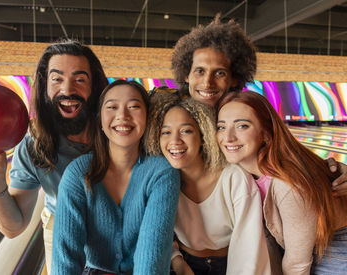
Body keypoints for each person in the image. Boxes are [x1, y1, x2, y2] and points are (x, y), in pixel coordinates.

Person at [0, 40, 108, 273]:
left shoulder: (117, 134)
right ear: (45, 86)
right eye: (57, 79)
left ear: (95, 87)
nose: (68, 90)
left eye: (80, 79)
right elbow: (14, 227)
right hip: (60, 230)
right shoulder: (33, 146)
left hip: (114, 231)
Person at [170, 14, 347, 193]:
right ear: (186, 75)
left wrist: (330, 169)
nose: (207, 83)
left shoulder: (250, 116)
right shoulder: (168, 116)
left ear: (234, 78)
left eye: (220, 73)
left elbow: (288, 154)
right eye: (199, 71)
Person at [51, 80, 180, 274]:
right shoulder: (78, 173)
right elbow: (65, 257)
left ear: (148, 117)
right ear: (100, 119)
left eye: (134, 106)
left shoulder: (162, 172)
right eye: (112, 107)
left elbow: (152, 256)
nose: (122, 116)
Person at [216, 91, 347, 274]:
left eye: (242, 126)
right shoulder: (241, 172)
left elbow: (296, 264)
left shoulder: (287, 185)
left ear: (266, 134)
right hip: (304, 247)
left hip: (335, 248)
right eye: (221, 127)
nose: (228, 137)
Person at [144, 92, 270, 275]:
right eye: (166, 132)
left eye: (186, 131)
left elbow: (248, 251)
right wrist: (177, 261)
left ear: (203, 136)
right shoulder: (162, 180)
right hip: (184, 264)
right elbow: (156, 232)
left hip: (229, 264)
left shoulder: (234, 179)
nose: (175, 141)